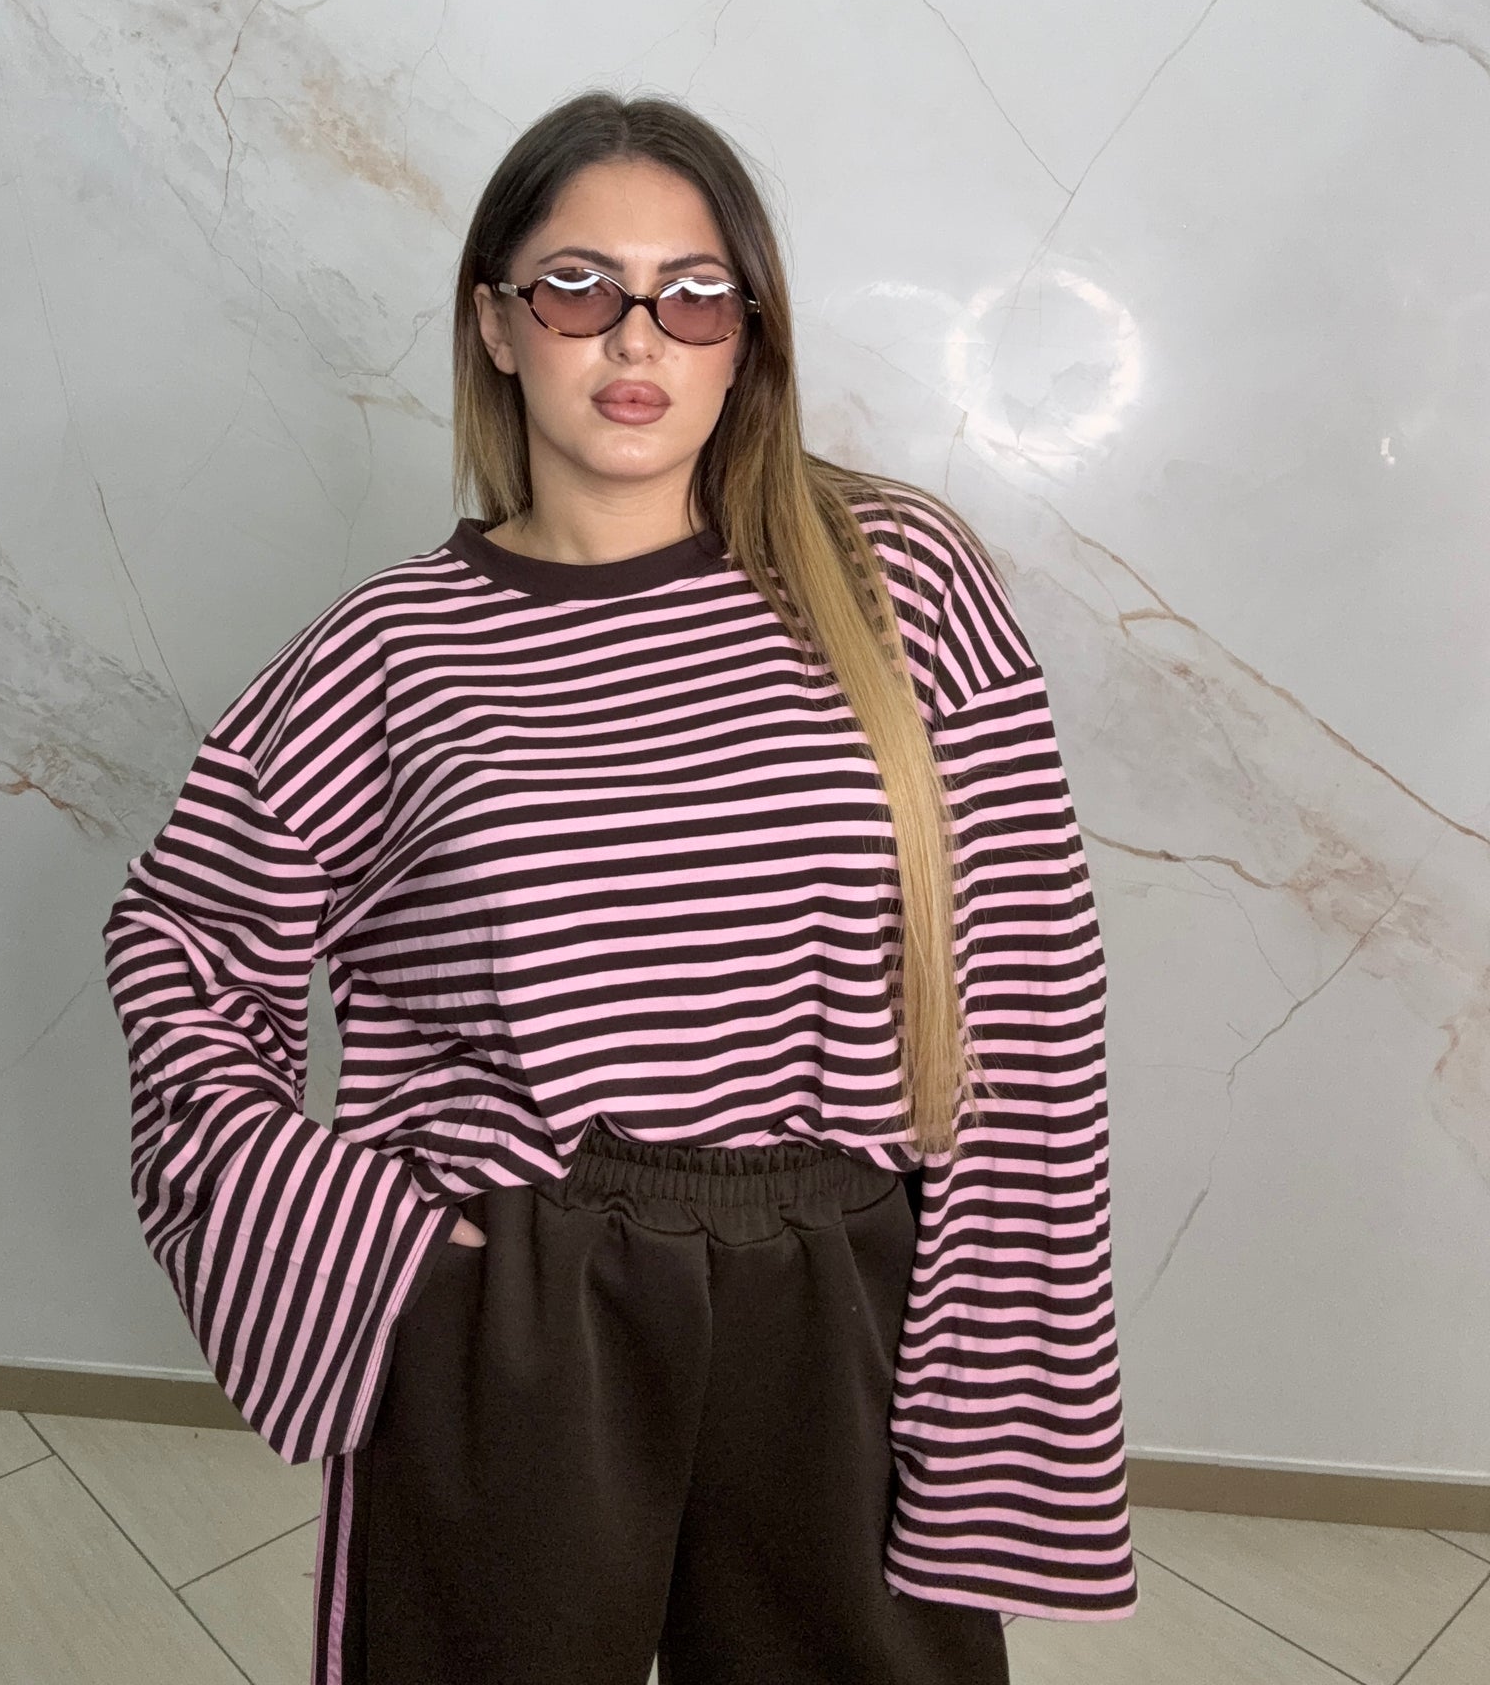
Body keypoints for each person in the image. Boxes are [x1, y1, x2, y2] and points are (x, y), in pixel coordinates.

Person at [103, 90, 1137, 1684]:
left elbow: (1031, 1006)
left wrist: (1001, 1404)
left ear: (748, 338)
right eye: (579, 288)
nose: (637, 337)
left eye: (695, 295)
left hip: (843, 1283)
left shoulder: (903, 586)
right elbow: (184, 934)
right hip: (523, 1297)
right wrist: (367, 1246)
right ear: (497, 325)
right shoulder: (393, 653)